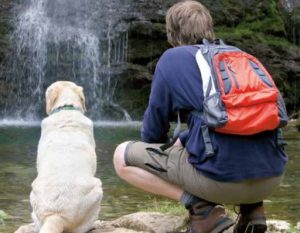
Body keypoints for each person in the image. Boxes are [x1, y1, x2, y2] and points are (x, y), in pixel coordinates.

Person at [113, 1, 288, 233]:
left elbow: (152, 133)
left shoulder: (172, 58)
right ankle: (252, 210)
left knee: (120, 157)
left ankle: (202, 209)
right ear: (210, 27)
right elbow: (240, 119)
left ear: (171, 32)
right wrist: (186, 138)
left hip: (219, 182)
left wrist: (178, 149)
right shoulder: (240, 56)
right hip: (272, 177)